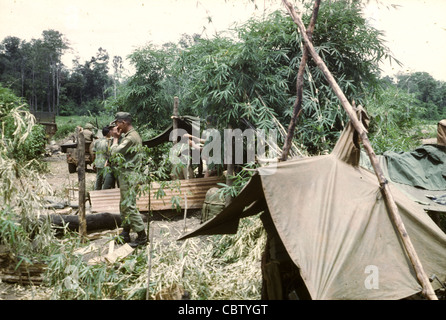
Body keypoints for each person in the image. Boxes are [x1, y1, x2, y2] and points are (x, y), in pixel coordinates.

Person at [110, 112, 147, 247]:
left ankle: (142, 236)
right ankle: (126, 232)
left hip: (130, 175)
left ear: (124, 123)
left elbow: (115, 153)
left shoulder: (130, 138)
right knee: (124, 204)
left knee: (129, 205)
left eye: (117, 123)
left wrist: (114, 139)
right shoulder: (131, 136)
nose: (116, 126)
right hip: (129, 174)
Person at [92, 126, 111, 190]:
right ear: (108, 133)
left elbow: (94, 153)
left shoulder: (97, 141)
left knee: (98, 179)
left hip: (98, 163)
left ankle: (96, 192)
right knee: (106, 181)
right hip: (106, 164)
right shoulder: (109, 142)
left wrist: (94, 163)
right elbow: (109, 154)